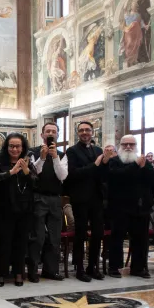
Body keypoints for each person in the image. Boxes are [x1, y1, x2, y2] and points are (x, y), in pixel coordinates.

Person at [65, 121, 113, 282]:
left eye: (87, 130)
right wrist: (96, 164)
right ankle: (79, 269)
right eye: (81, 130)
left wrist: (105, 163)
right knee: (80, 234)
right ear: (77, 133)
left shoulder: (98, 150)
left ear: (92, 132)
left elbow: (104, 175)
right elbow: (74, 174)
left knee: (98, 234)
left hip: (97, 198)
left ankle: (93, 267)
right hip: (80, 198)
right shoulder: (72, 151)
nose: (85, 133)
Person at [0, 133, 37, 287]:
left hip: (24, 209)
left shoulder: (28, 162)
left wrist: (26, 173)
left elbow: (37, 184)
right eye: (11, 146)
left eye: (18, 146)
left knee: (21, 242)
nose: (15, 149)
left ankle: (18, 273)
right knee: (4, 242)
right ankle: (1, 274)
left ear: (22, 148)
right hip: (3, 208)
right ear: (7, 147)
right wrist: (11, 172)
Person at [107, 135, 154, 279]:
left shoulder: (143, 161)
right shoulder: (114, 161)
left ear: (136, 146)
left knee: (141, 239)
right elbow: (118, 176)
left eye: (131, 144)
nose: (128, 147)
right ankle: (114, 267)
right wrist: (136, 165)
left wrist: (144, 167)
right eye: (125, 144)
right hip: (120, 207)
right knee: (117, 238)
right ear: (120, 145)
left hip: (140, 208)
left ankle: (138, 268)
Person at [26, 122, 68, 282]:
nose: (51, 134)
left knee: (54, 236)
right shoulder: (33, 152)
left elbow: (62, 176)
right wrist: (42, 158)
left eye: (54, 132)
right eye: (48, 131)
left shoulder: (62, 155)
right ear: (42, 134)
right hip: (38, 197)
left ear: (57, 135)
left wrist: (55, 157)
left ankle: (51, 270)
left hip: (55, 198)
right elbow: (33, 173)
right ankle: (33, 269)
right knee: (38, 236)